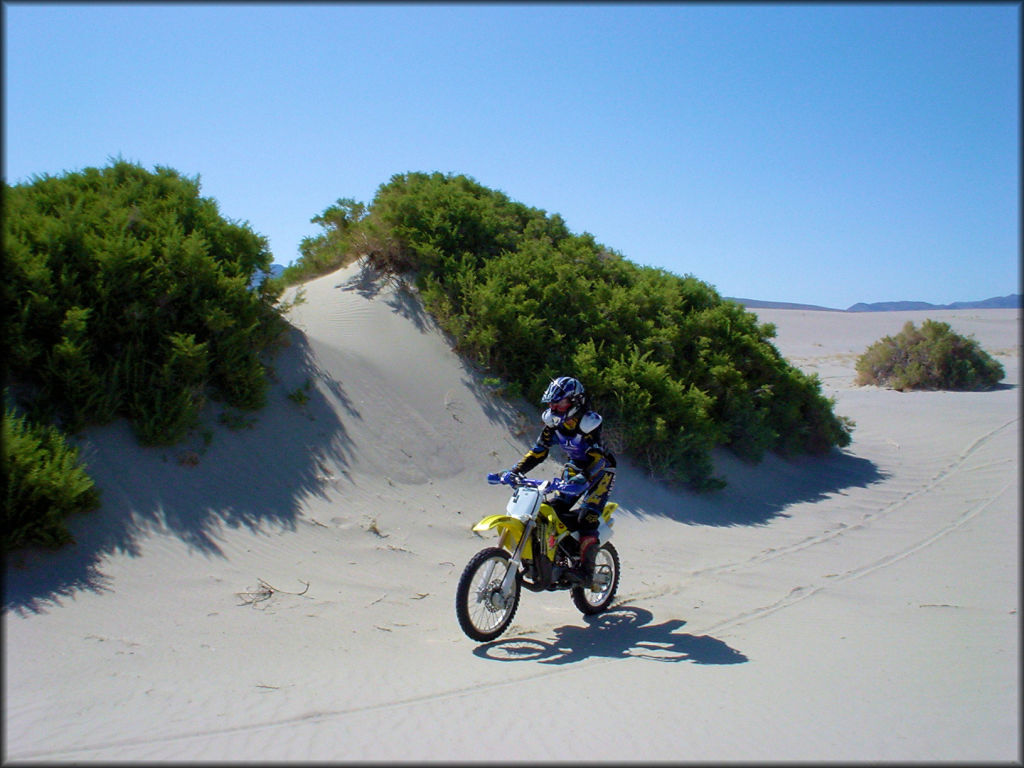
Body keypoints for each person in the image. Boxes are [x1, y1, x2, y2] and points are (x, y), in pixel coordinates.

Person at [502, 376, 616, 586]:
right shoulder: (554, 424)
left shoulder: (589, 423)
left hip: (600, 470)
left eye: (559, 402)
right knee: (550, 510)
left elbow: (598, 457)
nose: (554, 406)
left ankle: (586, 573)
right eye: (551, 403)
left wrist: (584, 477)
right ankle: (557, 554)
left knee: (587, 518)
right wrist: (515, 471)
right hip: (574, 467)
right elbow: (539, 451)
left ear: (575, 401)